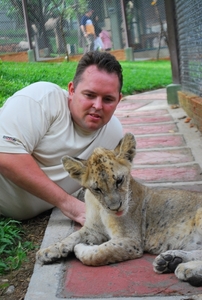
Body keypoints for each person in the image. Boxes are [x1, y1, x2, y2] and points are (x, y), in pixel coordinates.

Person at [0, 51, 123, 226]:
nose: (97, 106)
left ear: (119, 100)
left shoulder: (113, 134)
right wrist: (69, 204)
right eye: (89, 95)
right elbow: (5, 155)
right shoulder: (42, 99)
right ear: (72, 90)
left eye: (108, 99)